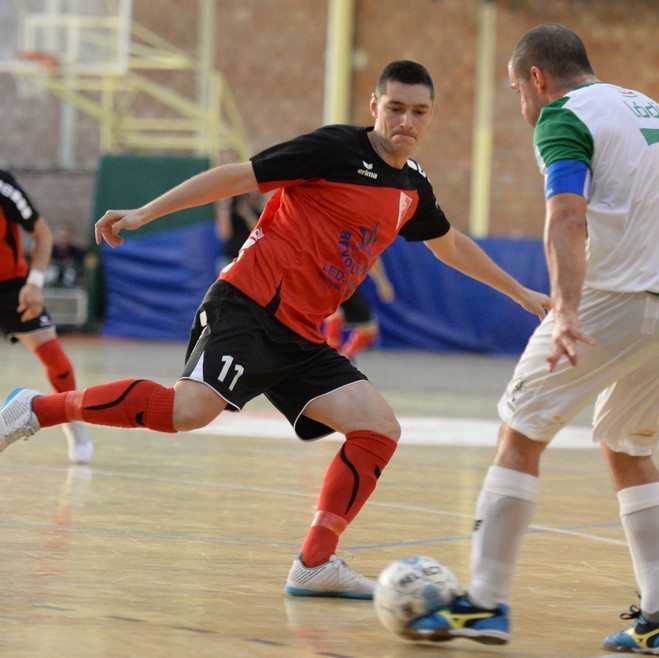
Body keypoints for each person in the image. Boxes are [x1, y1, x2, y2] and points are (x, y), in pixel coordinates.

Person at [0, 61, 549, 598]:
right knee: (187, 412)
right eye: (397, 108)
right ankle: (35, 409)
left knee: (378, 429)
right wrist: (146, 212)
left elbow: (449, 244)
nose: (406, 121)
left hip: (303, 335)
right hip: (249, 304)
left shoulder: (413, 188)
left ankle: (315, 562)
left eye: (419, 112)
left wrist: (520, 292)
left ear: (431, 118)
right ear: (375, 106)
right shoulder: (334, 149)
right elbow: (239, 176)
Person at [405, 25, 659, 652]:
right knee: (626, 442)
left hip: (613, 298)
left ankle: (484, 604)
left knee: (520, 430)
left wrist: (568, 309)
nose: (522, 104)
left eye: (518, 89)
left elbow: (565, 215)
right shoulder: (646, 107)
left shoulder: (563, 117)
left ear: (536, 79)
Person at [0, 170, 93, 464]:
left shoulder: (5, 189)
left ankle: (74, 422)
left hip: (12, 288)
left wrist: (35, 283)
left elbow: (43, 233)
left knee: (56, 360)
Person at [323, 258, 394, 360]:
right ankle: (329, 357)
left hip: (347, 279)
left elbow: (372, 256)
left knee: (370, 329)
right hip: (326, 273)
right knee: (334, 312)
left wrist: (382, 282)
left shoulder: (367, 244)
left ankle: (345, 357)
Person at [215, 191, 263, 272]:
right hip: (231, 257)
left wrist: (246, 212)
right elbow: (224, 236)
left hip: (253, 257)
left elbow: (259, 234)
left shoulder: (259, 211)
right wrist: (224, 208)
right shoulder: (229, 214)